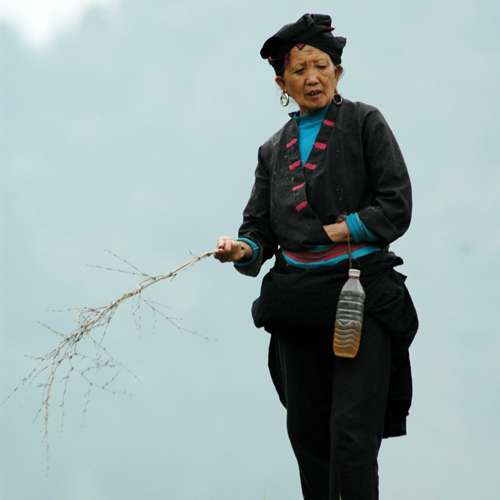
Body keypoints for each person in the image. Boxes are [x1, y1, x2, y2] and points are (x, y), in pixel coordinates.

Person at [214, 13, 418, 500]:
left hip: (359, 296)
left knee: (352, 436)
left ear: (338, 73)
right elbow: (258, 230)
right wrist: (242, 249)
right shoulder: (272, 151)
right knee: (307, 434)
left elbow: (397, 203)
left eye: (322, 67)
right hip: (297, 302)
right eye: (300, 70)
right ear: (281, 83)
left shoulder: (365, 123)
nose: (312, 78)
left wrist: (347, 228)